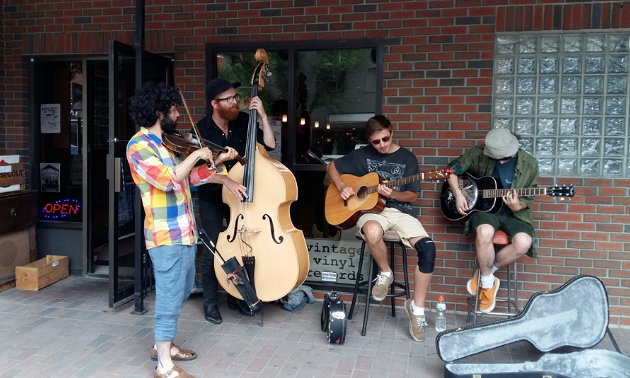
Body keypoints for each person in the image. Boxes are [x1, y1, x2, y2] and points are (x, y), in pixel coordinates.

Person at [126, 82, 237, 378]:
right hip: (165, 235)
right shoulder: (138, 146)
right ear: (159, 112)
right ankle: (163, 365)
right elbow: (169, 179)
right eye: (173, 109)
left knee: (183, 289)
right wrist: (196, 155)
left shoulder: (166, 143)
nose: (177, 113)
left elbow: (190, 179)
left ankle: (165, 344)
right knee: (168, 295)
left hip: (186, 231)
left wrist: (218, 163)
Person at [326, 115, 437, 342]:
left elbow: (413, 195)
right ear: (370, 140)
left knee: (428, 249)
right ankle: (385, 273)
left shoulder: (408, 159)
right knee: (373, 231)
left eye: (385, 139)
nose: (382, 145)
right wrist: (342, 186)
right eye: (376, 142)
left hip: (399, 212)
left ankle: (417, 310)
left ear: (391, 132)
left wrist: (393, 194)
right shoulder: (362, 155)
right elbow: (332, 166)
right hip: (370, 212)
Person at [195, 78, 276, 324]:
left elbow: (270, 145)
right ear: (214, 103)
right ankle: (210, 304)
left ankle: (236, 296)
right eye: (228, 99)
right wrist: (222, 170)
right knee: (213, 251)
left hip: (239, 198)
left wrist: (261, 115)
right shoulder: (200, 129)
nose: (234, 102)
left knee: (241, 248)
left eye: (234, 97)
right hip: (212, 197)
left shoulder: (243, 120)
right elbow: (197, 175)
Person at [445, 128, 539, 313]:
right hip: (485, 209)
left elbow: (528, 199)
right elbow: (450, 170)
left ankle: (486, 275)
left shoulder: (529, 163)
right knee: (484, 232)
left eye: (505, 158)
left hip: (514, 214)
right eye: (497, 158)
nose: (501, 161)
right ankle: (488, 286)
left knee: (523, 243)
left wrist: (516, 206)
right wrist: (458, 194)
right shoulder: (478, 153)